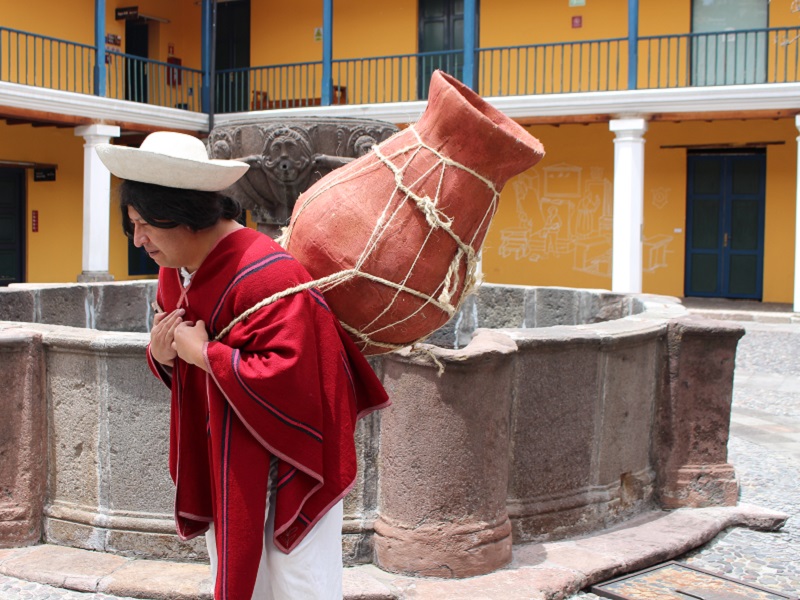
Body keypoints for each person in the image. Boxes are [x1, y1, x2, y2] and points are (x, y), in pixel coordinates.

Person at [96, 132, 390, 600]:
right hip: (228, 458)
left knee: (298, 581)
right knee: (243, 577)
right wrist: (163, 354)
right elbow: (183, 364)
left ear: (184, 213)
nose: (139, 239)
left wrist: (205, 355)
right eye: (132, 224)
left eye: (146, 223)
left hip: (288, 461)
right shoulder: (174, 271)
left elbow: (298, 379)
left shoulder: (269, 273)